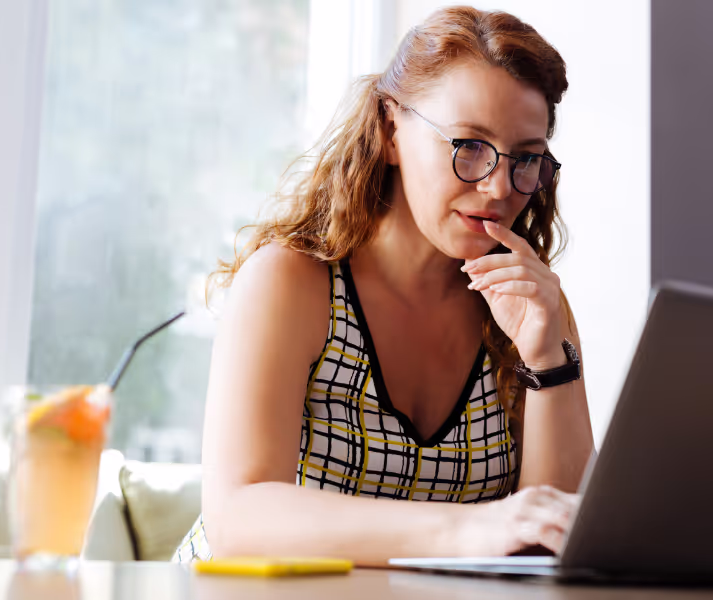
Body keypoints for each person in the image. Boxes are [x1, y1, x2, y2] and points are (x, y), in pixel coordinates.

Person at [174, 6, 594, 567]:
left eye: (526, 158)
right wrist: (468, 529)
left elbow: (552, 538)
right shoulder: (291, 282)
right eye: (468, 144)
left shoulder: (531, 306)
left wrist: (548, 356)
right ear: (390, 129)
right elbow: (238, 517)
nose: (499, 186)